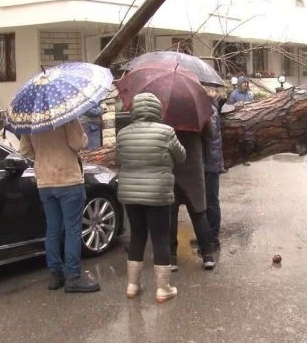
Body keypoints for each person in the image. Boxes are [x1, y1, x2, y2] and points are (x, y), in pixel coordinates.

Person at [116, 93, 186, 303]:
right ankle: (163, 289)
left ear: (135, 110)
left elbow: (119, 159)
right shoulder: (166, 132)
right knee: (160, 238)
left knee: (137, 236)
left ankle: (132, 285)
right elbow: (181, 156)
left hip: (130, 194)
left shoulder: (123, 134)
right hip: (158, 192)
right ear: (157, 109)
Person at [18, 118, 100, 293]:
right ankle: (73, 277)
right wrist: (84, 136)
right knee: (72, 230)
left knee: (53, 229)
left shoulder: (29, 120)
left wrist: (42, 155)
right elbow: (78, 143)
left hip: (45, 181)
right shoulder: (65, 116)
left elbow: (25, 150)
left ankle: (55, 275)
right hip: (68, 179)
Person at [170, 131, 217, 271]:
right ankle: (207, 255)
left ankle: (171, 258)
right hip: (194, 168)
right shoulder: (197, 119)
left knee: (170, 215)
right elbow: (210, 134)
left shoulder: (167, 120)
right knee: (198, 213)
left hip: (173, 169)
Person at [202, 100, 225, 250]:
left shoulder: (209, 110)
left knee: (211, 202)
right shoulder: (203, 109)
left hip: (210, 163)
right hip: (203, 163)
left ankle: (213, 238)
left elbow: (210, 133)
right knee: (202, 203)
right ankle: (205, 235)